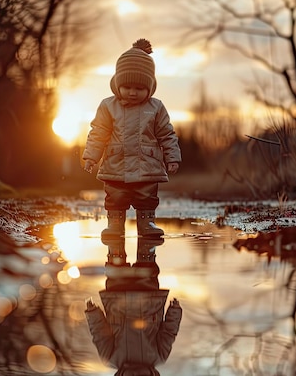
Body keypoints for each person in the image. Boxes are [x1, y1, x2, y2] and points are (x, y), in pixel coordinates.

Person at [82, 39, 181, 239]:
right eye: (127, 87)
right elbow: (98, 132)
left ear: (150, 87)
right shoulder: (108, 106)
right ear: (117, 84)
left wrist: (172, 157)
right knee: (115, 197)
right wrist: (91, 156)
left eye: (139, 88)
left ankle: (147, 223)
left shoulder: (156, 107)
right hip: (116, 165)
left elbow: (166, 133)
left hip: (147, 166)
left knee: (147, 197)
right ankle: (115, 225)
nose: (133, 92)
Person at [85, 234, 182, 376]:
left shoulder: (158, 357)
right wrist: (92, 312)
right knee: (116, 254)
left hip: (147, 300)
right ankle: (117, 219)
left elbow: (169, 332)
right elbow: (100, 333)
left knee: (145, 255)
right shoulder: (111, 359)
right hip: (119, 299)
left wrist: (174, 310)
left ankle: (145, 220)